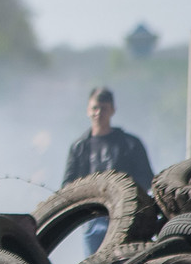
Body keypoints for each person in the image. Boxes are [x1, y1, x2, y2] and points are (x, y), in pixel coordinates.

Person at [63, 87, 153, 255]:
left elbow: (146, 178)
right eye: (94, 108)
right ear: (88, 111)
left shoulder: (130, 144)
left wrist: (124, 195)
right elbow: (68, 185)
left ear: (112, 110)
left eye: (103, 108)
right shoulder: (79, 147)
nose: (98, 113)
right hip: (92, 219)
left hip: (125, 216)